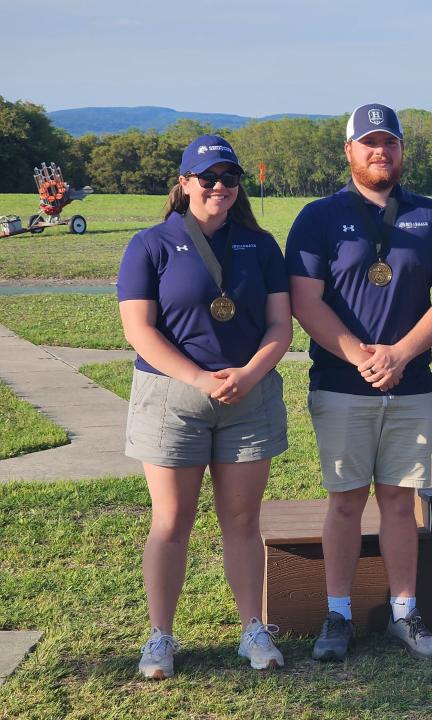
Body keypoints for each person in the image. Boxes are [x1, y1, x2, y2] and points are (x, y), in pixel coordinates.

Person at [286, 103, 432, 661]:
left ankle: (404, 613)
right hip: (343, 384)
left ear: (402, 150)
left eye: (389, 142)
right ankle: (337, 615)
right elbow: (303, 300)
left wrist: (402, 353)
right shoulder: (318, 216)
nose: (379, 151)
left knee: (399, 500)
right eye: (368, 142)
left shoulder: (431, 217)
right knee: (344, 501)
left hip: (410, 386)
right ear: (349, 151)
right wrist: (360, 356)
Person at [118, 135, 292, 679]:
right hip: (173, 396)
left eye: (229, 178)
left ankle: (252, 631)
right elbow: (138, 330)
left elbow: (280, 326)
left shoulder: (259, 246)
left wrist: (248, 374)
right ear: (185, 182)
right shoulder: (150, 244)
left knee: (243, 521)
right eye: (208, 178)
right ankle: (161, 638)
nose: (219, 187)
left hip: (247, 394)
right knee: (171, 522)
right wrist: (197, 377)